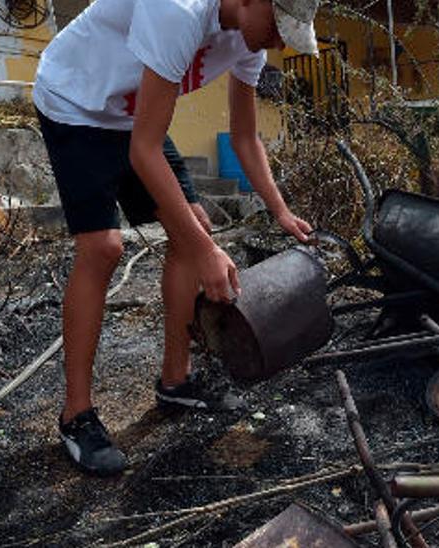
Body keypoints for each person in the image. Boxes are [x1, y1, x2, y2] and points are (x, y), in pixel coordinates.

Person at [33, 0, 318, 476]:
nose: (277, 41)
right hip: (76, 102)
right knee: (103, 248)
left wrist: (281, 210)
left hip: (131, 114)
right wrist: (206, 254)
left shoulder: (249, 41)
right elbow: (145, 150)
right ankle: (76, 414)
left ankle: (176, 381)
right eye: (277, 26)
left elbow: (245, 138)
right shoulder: (178, 11)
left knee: (196, 228)